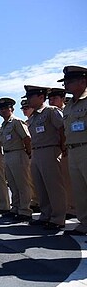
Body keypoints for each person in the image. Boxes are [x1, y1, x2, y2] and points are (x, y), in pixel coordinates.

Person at [23, 85, 66, 230]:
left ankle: (58, 218)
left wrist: (62, 148)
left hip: (50, 150)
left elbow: (62, 129)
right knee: (41, 187)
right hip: (37, 152)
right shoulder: (33, 117)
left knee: (54, 187)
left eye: (30, 97)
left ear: (41, 97)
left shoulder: (51, 112)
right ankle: (45, 215)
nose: (28, 100)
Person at [58, 65, 87, 236]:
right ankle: (84, 223)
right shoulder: (68, 107)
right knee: (79, 190)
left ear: (83, 81)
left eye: (69, 81)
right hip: (74, 150)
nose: (65, 85)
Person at [0, 97, 32, 221]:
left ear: (11, 109)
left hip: (18, 154)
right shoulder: (3, 125)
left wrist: (28, 153)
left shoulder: (17, 122)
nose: (3, 111)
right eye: (1, 109)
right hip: (7, 155)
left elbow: (27, 138)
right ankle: (16, 207)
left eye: (6, 108)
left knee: (22, 184)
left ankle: (25, 210)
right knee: (13, 184)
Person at [48, 87, 76, 218]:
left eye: (54, 98)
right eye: (50, 98)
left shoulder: (68, 110)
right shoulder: (52, 113)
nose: (51, 100)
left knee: (74, 181)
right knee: (65, 181)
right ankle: (70, 207)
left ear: (63, 99)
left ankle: (74, 207)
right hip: (61, 150)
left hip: (72, 148)